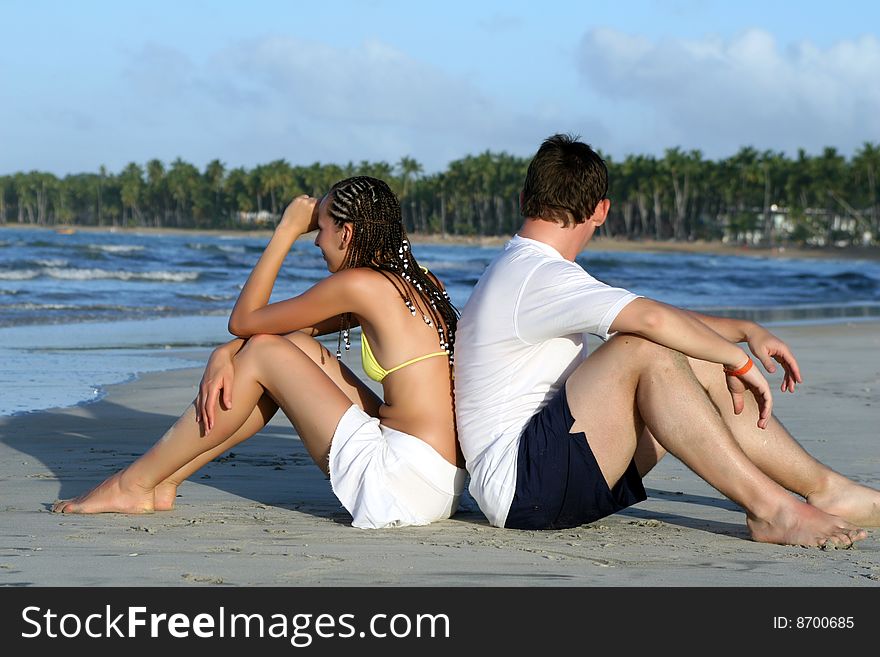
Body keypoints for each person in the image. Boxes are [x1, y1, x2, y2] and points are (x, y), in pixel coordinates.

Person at [454, 134, 880, 547]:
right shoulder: (539, 275)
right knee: (645, 347)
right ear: (602, 211)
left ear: (524, 200)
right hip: (524, 486)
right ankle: (772, 509)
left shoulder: (530, 270)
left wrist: (744, 331)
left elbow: (654, 318)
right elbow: (652, 321)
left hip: (543, 474)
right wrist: (739, 360)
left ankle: (827, 489)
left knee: (679, 348)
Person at [53, 176, 466, 529]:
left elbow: (246, 319)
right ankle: (166, 480)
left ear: (347, 232)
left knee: (267, 351)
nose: (316, 242)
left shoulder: (359, 284)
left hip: (401, 482)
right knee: (294, 348)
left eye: (319, 229)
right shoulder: (418, 283)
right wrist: (227, 352)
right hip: (442, 482)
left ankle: (133, 484)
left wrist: (284, 232)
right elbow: (288, 331)